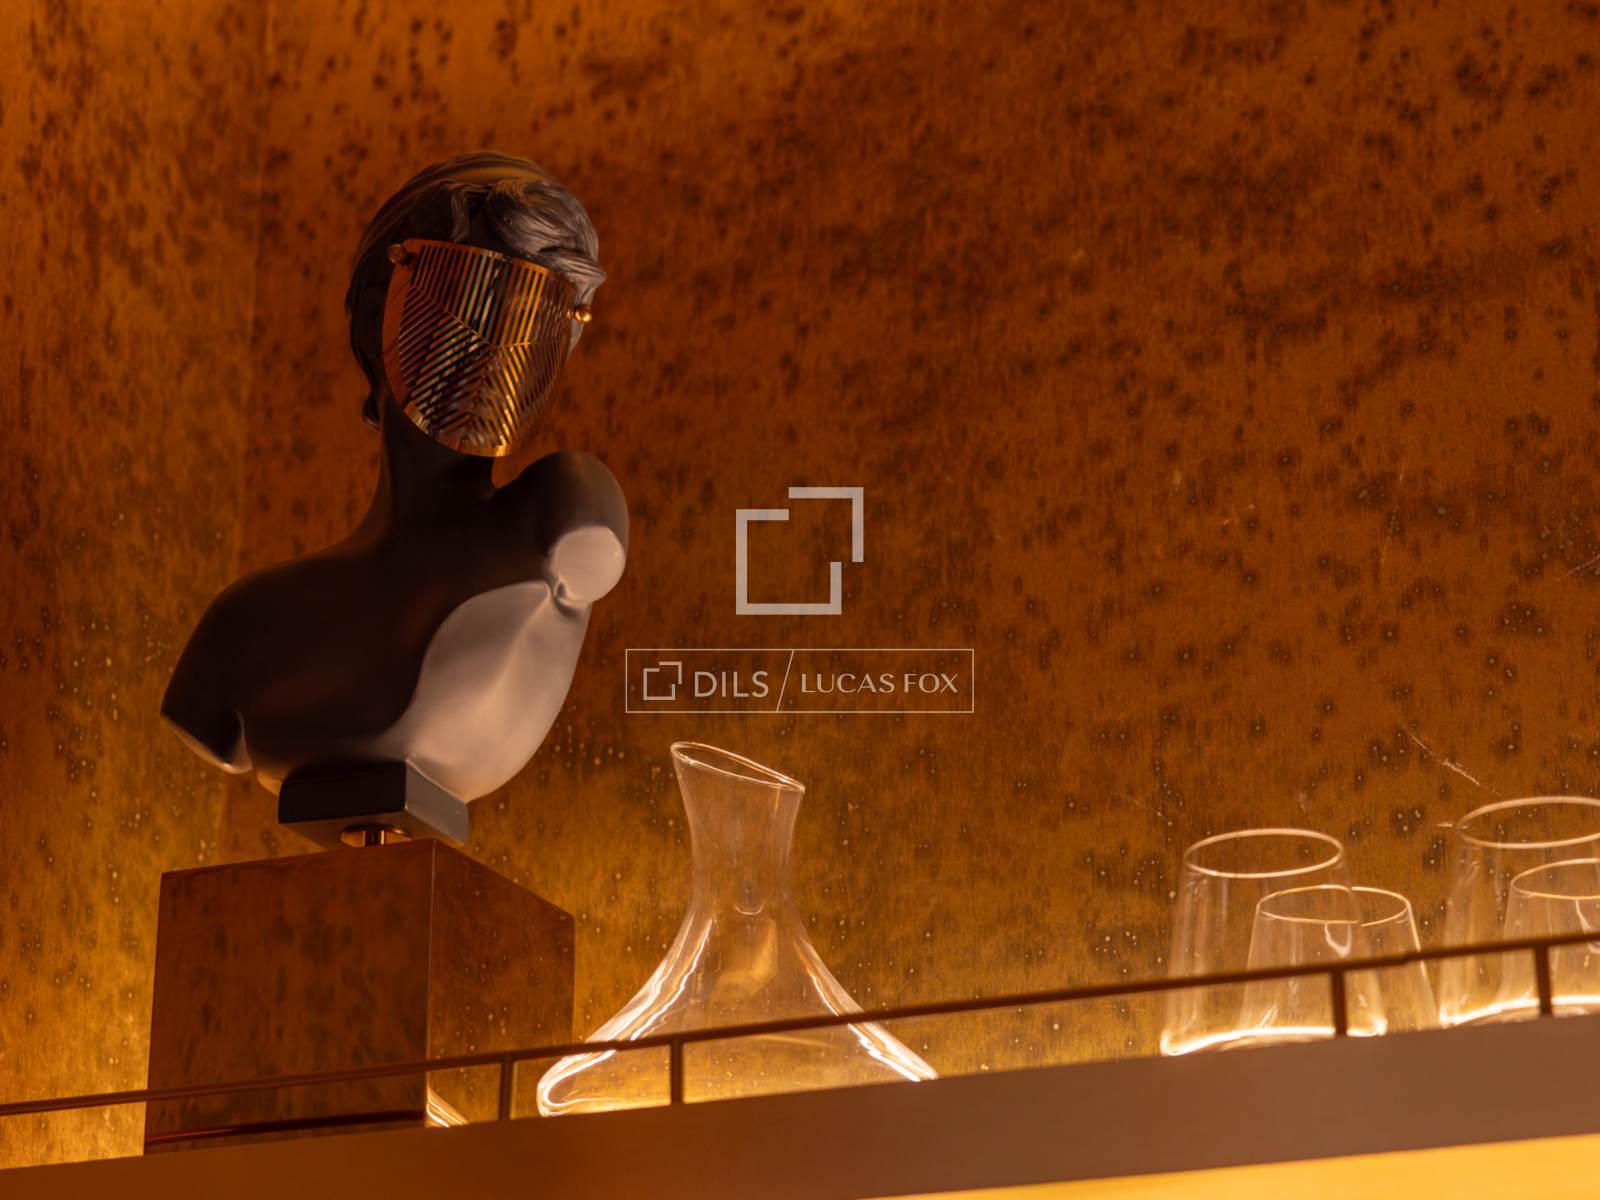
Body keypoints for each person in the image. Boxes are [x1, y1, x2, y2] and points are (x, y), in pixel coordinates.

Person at [161, 152, 627, 841]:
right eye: (475, 297)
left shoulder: (557, 520)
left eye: (534, 316)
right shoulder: (242, 627)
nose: (498, 347)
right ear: (384, 305)